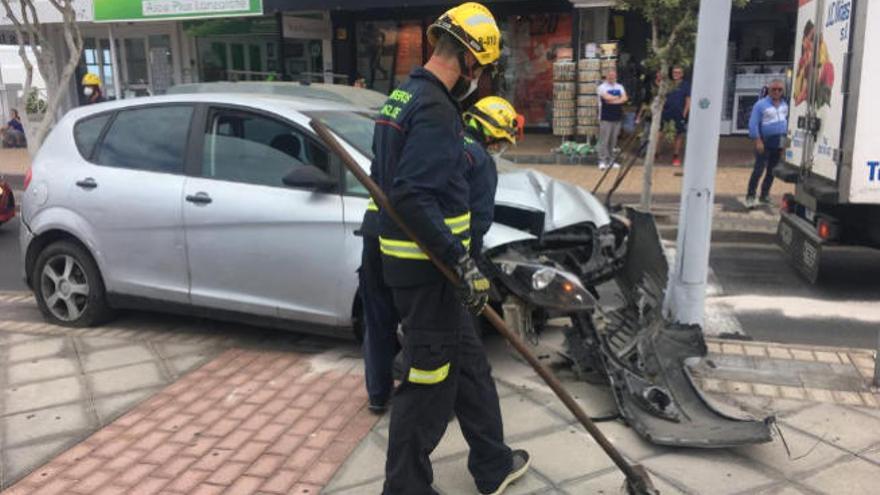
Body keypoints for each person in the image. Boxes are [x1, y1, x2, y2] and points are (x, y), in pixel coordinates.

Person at [362, 3, 529, 494]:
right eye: (481, 69)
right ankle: (406, 487)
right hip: (431, 270)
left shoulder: (403, 96)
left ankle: (493, 464)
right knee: (428, 385)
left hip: (424, 268)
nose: (477, 78)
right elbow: (412, 194)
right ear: (471, 62)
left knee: (469, 364)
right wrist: (460, 260)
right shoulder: (435, 108)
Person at [357, 95, 518, 419]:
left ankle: (378, 395)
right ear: (491, 133)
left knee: (377, 319)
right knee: (432, 332)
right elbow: (476, 225)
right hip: (422, 252)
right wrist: (466, 267)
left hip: (376, 234)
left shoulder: (428, 138)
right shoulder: (479, 160)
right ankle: (436, 401)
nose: (500, 146)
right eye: (501, 139)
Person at [746, 79, 789, 208]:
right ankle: (750, 196)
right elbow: (753, 124)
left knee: (772, 170)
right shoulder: (760, 104)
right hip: (764, 141)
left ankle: (764, 195)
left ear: (783, 91)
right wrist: (758, 140)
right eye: (773, 89)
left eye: (779, 89)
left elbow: (787, 122)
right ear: (768, 90)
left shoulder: (785, 104)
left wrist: (785, 144)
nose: (776, 92)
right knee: (758, 170)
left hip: (779, 140)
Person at [596, 68, 628, 170]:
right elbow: (606, 98)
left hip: (617, 117)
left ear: (616, 76)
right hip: (605, 117)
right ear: (606, 76)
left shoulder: (620, 86)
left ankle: (611, 161)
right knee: (604, 140)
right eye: (610, 75)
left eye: (613, 76)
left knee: (613, 141)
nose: (611, 77)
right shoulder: (601, 87)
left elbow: (625, 98)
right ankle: (602, 161)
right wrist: (618, 97)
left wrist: (613, 99)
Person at [661, 65, 690, 167]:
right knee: (660, 134)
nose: (676, 74)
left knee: (678, 136)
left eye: (678, 72)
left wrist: (684, 114)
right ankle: (655, 154)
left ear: (682, 74)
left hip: (679, 114)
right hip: (666, 113)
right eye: (674, 72)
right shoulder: (668, 84)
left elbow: (688, 101)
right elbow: (662, 97)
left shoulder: (685, 85)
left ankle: (675, 156)